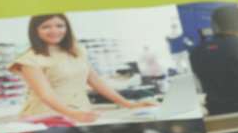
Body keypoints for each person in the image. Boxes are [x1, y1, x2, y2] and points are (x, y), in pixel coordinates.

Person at [11, 13, 156, 125]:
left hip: (81, 111)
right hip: (46, 115)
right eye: (46, 26)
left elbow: (96, 82)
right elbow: (45, 94)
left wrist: (128, 104)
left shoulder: (77, 51)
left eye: (60, 25)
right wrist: (72, 114)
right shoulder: (28, 59)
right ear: (35, 31)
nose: (54, 30)